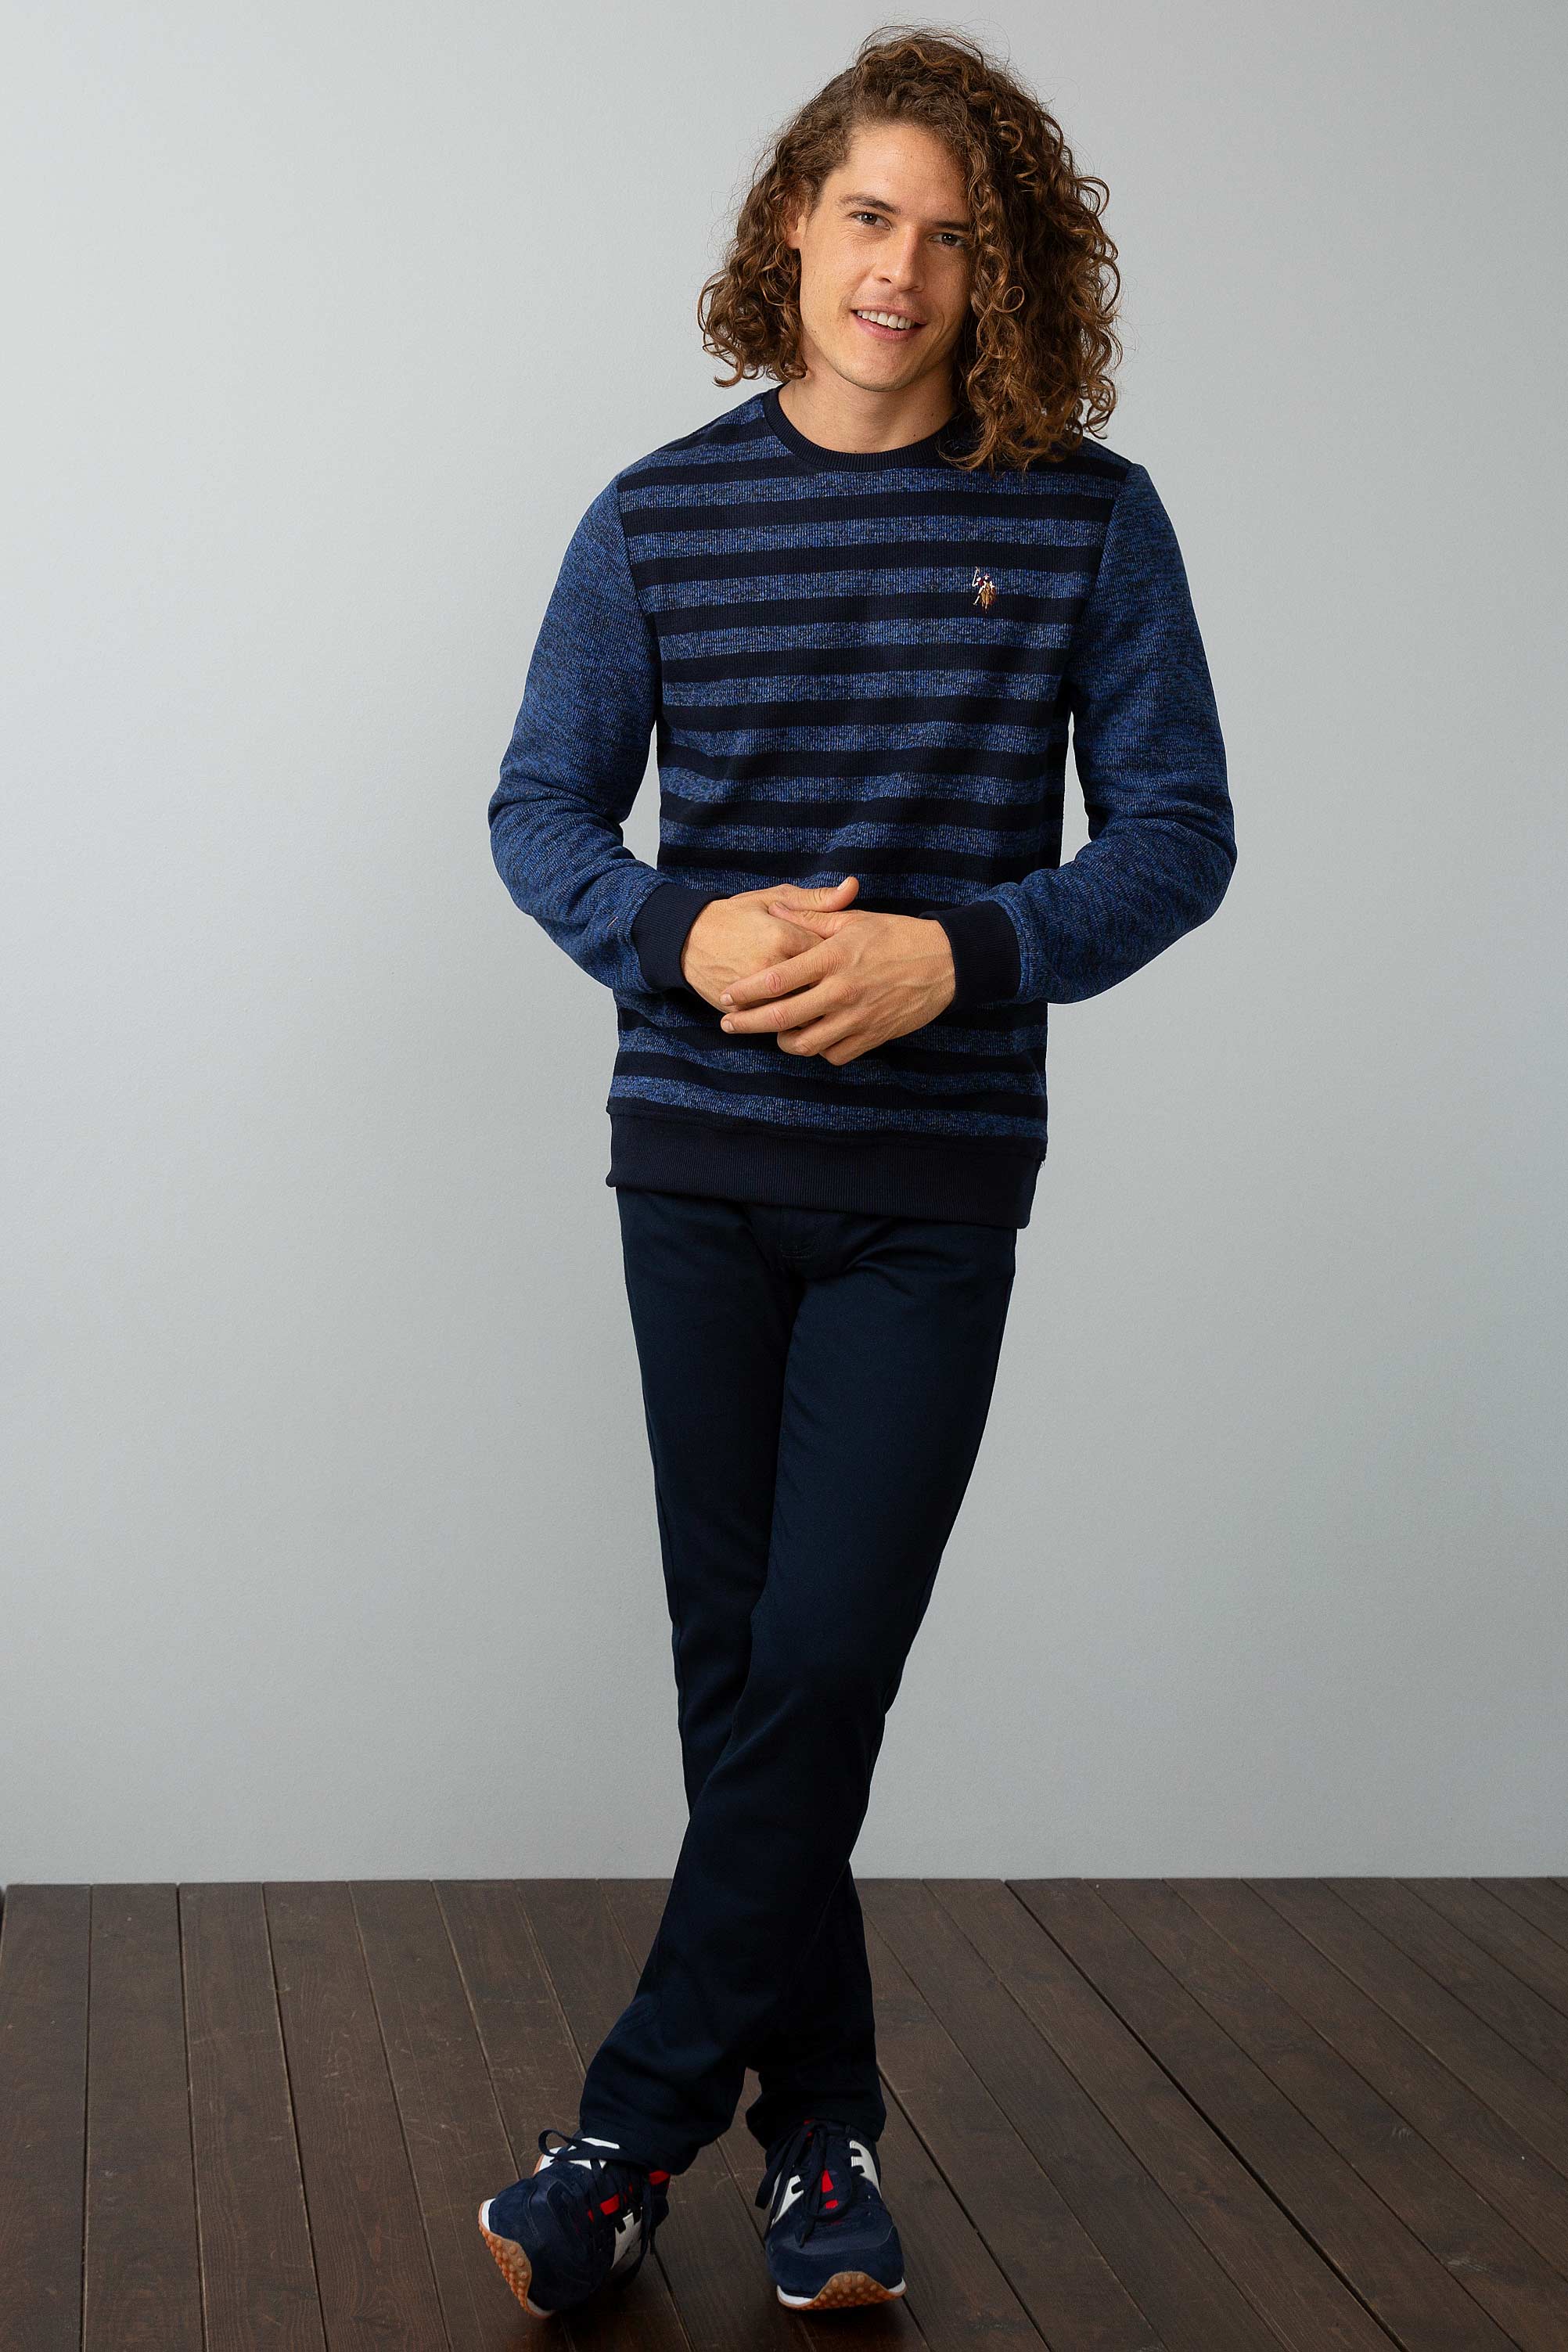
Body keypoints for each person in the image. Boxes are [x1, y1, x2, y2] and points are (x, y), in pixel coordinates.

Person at [477, 23, 1235, 2322]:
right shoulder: (655, 517)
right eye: (868, 215)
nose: (902, 268)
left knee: (820, 1660)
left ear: (1010, 274)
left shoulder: (1089, 519)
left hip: (932, 1178)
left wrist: (959, 955)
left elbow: (1180, 839)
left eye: (955, 236)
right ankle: (819, 2146)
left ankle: (627, 2125)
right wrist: (673, 931)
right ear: (792, 228)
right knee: (747, 1684)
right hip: (694, 1169)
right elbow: (538, 811)